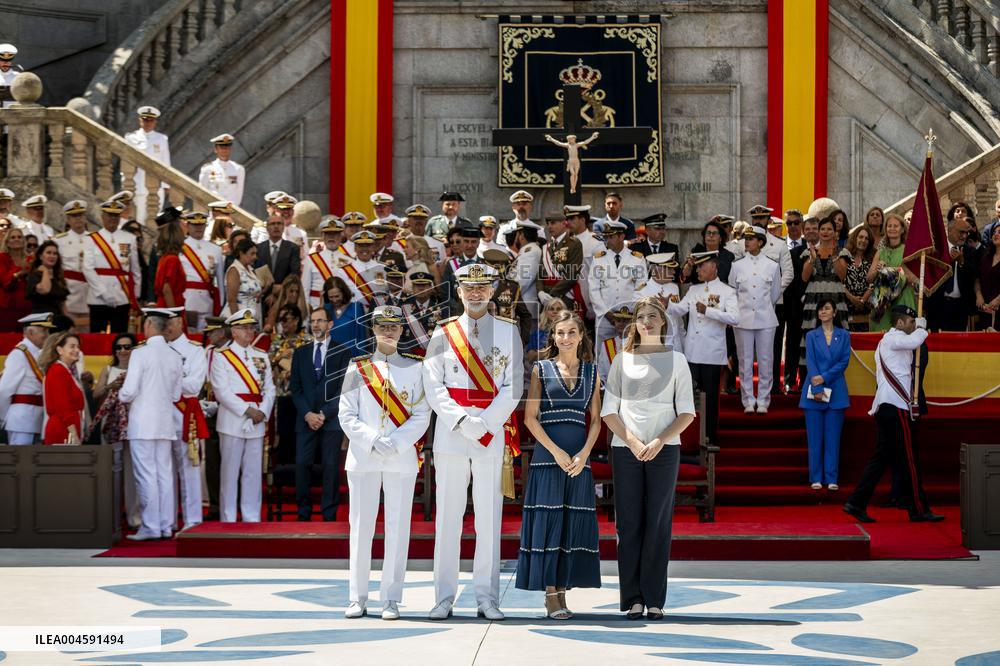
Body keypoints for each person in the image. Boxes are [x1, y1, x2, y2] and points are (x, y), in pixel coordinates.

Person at [423, 263, 523, 621]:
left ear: (492, 290)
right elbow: (433, 386)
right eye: (469, 287)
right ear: (459, 290)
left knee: (488, 518)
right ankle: (443, 597)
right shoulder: (443, 332)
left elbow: (513, 386)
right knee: (448, 518)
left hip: (490, 435)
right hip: (452, 434)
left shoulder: (509, 331)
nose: (476, 292)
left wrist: (485, 424)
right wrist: (464, 421)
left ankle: (487, 597)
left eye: (483, 286)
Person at [601, 296, 696, 620]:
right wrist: (632, 442)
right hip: (625, 449)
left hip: (664, 449)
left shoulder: (677, 360)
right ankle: (633, 599)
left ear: (663, 322)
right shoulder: (621, 360)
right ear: (635, 324)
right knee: (629, 525)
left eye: (653, 315)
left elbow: (686, 412)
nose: (647, 320)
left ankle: (655, 598)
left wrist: (657, 441)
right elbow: (609, 412)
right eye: (641, 316)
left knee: (657, 524)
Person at [338, 305, 430, 620]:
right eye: (381, 326)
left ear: (402, 331)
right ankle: (357, 597)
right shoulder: (357, 368)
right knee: (360, 527)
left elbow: (422, 413)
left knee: (397, 527)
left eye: (393, 326)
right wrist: (373, 440)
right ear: (373, 329)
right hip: (364, 456)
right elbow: (345, 414)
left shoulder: (416, 368)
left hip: (401, 457)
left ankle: (390, 598)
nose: (387, 331)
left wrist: (398, 442)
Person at [516, 310, 602, 617]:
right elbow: (530, 419)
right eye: (559, 333)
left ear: (581, 337)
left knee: (571, 524)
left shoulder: (592, 372)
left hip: (579, 460)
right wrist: (555, 452)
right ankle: (551, 593)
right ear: (553, 337)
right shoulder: (540, 369)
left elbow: (595, 422)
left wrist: (584, 455)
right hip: (548, 458)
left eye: (571, 332)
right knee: (550, 523)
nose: (565, 338)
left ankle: (564, 589)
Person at [843, 305, 944, 523]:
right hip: (896, 407)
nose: (912, 325)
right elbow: (914, 340)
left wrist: (918, 331)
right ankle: (918, 509)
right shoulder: (892, 339)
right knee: (909, 459)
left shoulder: (895, 343)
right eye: (909, 321)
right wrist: (922, 326)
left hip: (888, 406)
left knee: (880, 459)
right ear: (899, 323)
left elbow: (918, 353)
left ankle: (856, 502)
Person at [117, 309, 183, 540]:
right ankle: (165, 525)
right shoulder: (175, 355)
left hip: (143, 422)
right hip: (165, 422)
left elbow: (129, 391)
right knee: (164, 474)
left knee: (146, 475)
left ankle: (150, 526)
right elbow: (176, 395)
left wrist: (120, 395)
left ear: (148, 325)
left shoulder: (140, 354)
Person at [210, 308, 276, 522]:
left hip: (257, 419)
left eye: (251, 327)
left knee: (253, 473)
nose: (250, 331)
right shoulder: (221, 357)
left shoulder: (261, 356)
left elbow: (270, 388)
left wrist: (262, 412)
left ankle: (252, 517)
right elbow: (221, 391)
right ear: (233, 331)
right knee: (229, 472)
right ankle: (228, 517)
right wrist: (247, 411)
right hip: (232, 420)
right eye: (244, 328)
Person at [668, 252, 739, 445]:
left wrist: (708, 311)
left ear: (713, 266)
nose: (698, 270)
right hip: (692, 352)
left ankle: (710, 437)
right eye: (697, 267)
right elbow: (679, 310)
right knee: (688, 396)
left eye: (701, 266)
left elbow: (735, 318)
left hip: (712, 353)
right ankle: (688, 436)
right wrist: (667, 304)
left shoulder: (727, 291)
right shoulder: (693, 290)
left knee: (710, 399)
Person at [728, 226, 782, 414]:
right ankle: (748, 401)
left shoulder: (772, 265)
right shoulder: (737, 265)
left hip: (765, 318)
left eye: (751, 239)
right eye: (745, 239)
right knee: (744, 361)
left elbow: (775, 294)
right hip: (743, 319)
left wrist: (763, 307)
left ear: (760, 241)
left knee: (766, 360)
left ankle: (764, 401)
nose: (747, 242)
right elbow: (732, 292)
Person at [800, 299, 851, 491]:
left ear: (835, 312)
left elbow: (844, 362)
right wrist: (818, 385)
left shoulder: (844, 335)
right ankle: (815, 477)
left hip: (836, 391)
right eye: (820, 309)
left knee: (833, 439)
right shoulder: (811, 335)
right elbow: (810, 362)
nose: (823, 311)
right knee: (815, 439)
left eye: (827, 308)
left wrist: (824, 377)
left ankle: (831, 478)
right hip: (813, 390)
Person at [166, 313, 210, 532]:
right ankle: (168, 520)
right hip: (162, 415)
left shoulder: (194, 350)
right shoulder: (155, 349)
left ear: (179, 323)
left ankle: (192, 519)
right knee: (165, 471)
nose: (166, 327)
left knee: (189, 468)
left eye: (170, 323)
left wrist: (166, 382)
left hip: (185, 415)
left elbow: (194, 385)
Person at [91, 332, 139, 527]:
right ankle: (111, 516)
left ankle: (134, 516)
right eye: (118, 347)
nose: (122, 351)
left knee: (133, 471)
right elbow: (96, 394)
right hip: (111, 425)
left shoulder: (139, 369)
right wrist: (111, 386)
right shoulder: (108, 369)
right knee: (112, 470)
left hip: (134, 424)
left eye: (127, 347)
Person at [588, 220, 647, 356]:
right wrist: (607, 314)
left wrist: (628, 314)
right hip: (605, 317)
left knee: (630, 354)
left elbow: (641, 288)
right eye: (606, 237)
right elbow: (594, 290)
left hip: (629, 317)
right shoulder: (598, 259)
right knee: (603, 355)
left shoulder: (637, 259)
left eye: (611, 236)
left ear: (621, 237)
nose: (607, 240)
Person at [84, 199, 141, 333]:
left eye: (115, 215)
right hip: (98, 298)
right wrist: (103, 292)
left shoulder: (129, 238)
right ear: (103, 217)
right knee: (98, 337)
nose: (112, 218)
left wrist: (135, 295)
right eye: (109, 215)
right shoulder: (91, 238)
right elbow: (87, 268)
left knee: (120, 336)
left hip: (122, 296)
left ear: (120, 216)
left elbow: (136, 270)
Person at [800, 217, 848, 366]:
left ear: (835, 232)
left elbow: (842, 276)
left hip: (836, 299)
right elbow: (804, 277)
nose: (826, 232)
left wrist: (834, 257)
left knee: (835, 337)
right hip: (814, 300)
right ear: (819, 232)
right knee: (813, 336)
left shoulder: (842, 251)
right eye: (823, 229)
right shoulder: (809, 251)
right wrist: (812, 259)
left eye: (829, 229)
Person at [0, 313, 54, 444]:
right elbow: (4, 389)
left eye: (48, 331)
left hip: (38, 419)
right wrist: (3, 417)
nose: (47, 335)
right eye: (44, 331)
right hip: (21, 421)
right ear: (30, 332)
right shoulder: (18, 354)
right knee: (20, 460)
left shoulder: (38, 353)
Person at [868, 213, 917, 332]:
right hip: (882, 303)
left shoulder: (909, 251)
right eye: (889, 226)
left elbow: (914, 278)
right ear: (885, 229)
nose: (892, 228)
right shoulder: (880, 252)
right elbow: (869, 278)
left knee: (903, 338)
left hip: (902, 299)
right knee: (881, 338)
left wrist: (892, 272)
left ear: (902, 230)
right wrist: (878, 270)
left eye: (896, 226)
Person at [928, 215, 976, 332]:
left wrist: (962, 262)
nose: (964, 236)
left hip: (960, 308)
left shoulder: (970, 251)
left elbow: (973, 278)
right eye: (961, 232)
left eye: (966, 233)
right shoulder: (936, 250)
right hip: (938, 305)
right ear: (949, 230)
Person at [123, 106, 171, 224]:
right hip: (138, 184)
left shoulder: (162, 139)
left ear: (155, 122)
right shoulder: (131, 138)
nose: (148, 123)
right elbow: (126, 162)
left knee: (155, 220)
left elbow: (165, 163)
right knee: (139, 220)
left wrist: (166, 185)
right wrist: (125, 183)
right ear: (140, 120)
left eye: (151, 120)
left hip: (157, 187)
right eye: (145, 120)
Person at [180, 211, 224, 332]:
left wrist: (219, 304)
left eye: (201, 224)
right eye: (195, 225)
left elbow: (220, 281)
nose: (199, 228)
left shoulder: (216, 249)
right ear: (187, 225)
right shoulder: (180, 247)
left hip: (208, 301)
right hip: (187, 299)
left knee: (206, 337)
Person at [40, 332, 85, 445]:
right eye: (72, 346)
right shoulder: (58, 370)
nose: (77, 350)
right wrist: (73, 433)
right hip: (63, 430)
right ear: (60, 350)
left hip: (67, 428)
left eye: (78, 346)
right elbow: (62, 406)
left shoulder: (64, 370)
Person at [537, 213, 585, 316]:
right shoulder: (546, 246)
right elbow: (540, 274)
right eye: (548, 224)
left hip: (565, 295)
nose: (549, 227)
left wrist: (552, 294)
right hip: (546, 297)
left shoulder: (574, 243)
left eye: (553, 223)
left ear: (564, 224)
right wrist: (540, 292)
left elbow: (573, 274)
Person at [638, 252, 685, 353]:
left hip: (676, 347)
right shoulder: (641, 292)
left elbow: (678, 320)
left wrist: (683, 343)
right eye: (669, 269)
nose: (673, 272)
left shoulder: (674, 287)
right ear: (657, 270)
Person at [53, 200, 91, 321]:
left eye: (80, 215)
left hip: (90, 292)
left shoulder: (96, 239)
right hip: (69, 293)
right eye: (74, 216)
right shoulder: (59, 241)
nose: (78, 219)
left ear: (85, 218)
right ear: (68, 220)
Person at [302, 217, 350, 311]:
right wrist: (307, 312)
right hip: (316, 307)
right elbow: (305, 288)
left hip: (342, 307)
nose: (331, 237)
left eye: (335, 234)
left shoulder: (349, 260)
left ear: (341, 236)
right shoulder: (311, 259)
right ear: (322, 236)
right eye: (328, 234)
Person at [256, 215, 302, 303]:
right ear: (267, 228)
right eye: (272, 224)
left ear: (283, 227)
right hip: (262, 296)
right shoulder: (258, 249)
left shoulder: (293, 248)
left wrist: (282, 288)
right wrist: (269, 291)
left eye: (279, 223)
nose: (276, 226)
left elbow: (295, 274)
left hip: (284, 297)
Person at [842, 225, 876, 332]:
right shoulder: (844, 255)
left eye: (866, 238)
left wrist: (863, 300)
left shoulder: (872, 258)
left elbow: (874, 281)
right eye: (860, 237)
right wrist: (852, 298)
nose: (863, 240)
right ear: (855, 238)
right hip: (845, 306)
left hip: (866, 308)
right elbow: (839, 281)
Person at [323, 276, 367, 353]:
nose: (334, 300)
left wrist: (363, 360)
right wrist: (321, 304)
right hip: (332, 357)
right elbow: (319, 333)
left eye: (337, 296)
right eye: (331, 297)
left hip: (352, 358)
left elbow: (362, 338)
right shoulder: (326, 309)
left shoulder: (356, 307)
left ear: (344, 293)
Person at [198, 133, 245, 206]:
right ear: (216, 149)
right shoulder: (208, 169)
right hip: (214, 209)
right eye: (222, 147)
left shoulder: (238, 169)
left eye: (227, 147)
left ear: (231, 149)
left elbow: (239, 193)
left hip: (231, 210)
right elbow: (202, 191)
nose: (225, 150)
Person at [0, 226, 33, 330]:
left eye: (19, 237)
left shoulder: (31, 259)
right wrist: (20, 273)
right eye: (13, 237)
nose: (16, 239)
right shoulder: (2, 258)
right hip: (6, 308)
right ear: (7, 242)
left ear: (24, 241)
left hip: (27, 307)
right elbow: (5, 281)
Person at [224, 238, 263, 322]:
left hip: (252, 316)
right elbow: (232, 300)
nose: (255, 257)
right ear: (241, 253)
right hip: (238, 316)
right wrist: (238, 322)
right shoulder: (234, 270)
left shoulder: (251, 269)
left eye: (256, 254)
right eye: (252, 254)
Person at [25, 240, 68, 315]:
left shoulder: (58, 277)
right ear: (40, 256)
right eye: (48, 253)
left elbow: (62, 304)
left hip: (58, 319)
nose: (52, 256)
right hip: (40, 319)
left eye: (55, 253)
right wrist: (45, 271)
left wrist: (68, 321)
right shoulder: (35, 275)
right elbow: (45, 290)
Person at [154, 219, 187, 310]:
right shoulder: (173, 259)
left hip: (164, 304)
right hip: (171, 305)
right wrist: (173, 313)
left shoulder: (164, 258)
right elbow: (167, 289)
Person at [527, 297, 568, 365]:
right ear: (546, 312)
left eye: (558, 309)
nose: (555, 311)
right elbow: (529, 357)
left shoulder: (570, 332)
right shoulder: (537, 333)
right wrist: (546, 352)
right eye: (551, 309)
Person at [974, 223, 1000, 329]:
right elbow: (977, 279)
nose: (996, 234)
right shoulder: (986, 257)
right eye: (994, 232)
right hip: (985, 310)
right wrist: (978, 295)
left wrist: (999, 299)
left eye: (999, 232)